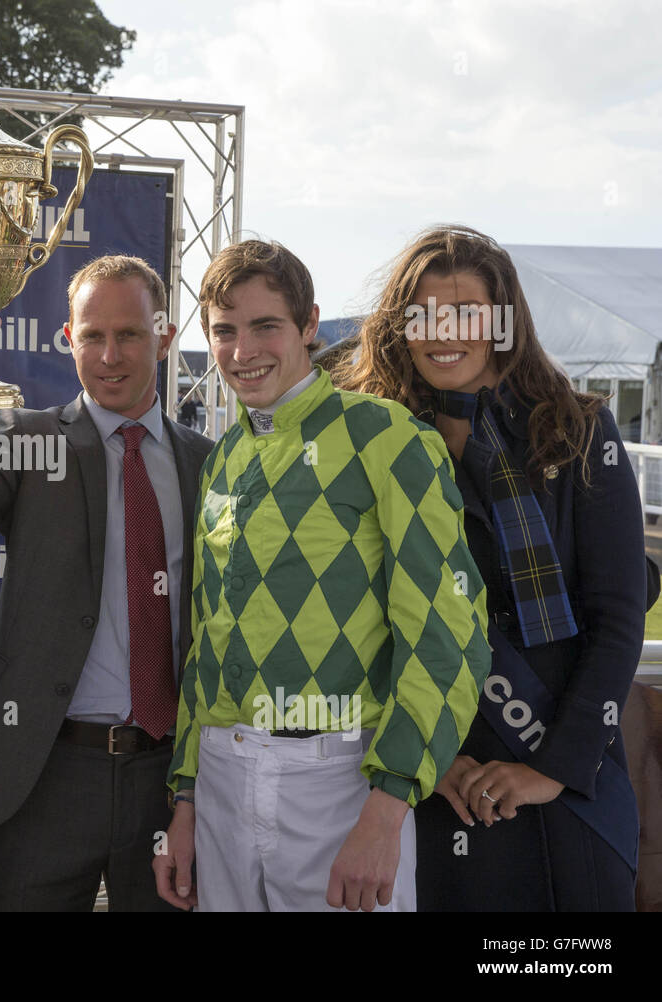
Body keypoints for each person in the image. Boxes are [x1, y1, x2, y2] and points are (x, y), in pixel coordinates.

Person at [154, 239, 491, 912]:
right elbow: (205, 647)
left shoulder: (386, 437)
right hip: (220, 778)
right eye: (224, 331)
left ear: (309, 324)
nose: (242, 350)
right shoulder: (221, 458)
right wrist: (185, 798)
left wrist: (387, 806)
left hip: (340, 783)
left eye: (265, 326)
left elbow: (449, 637)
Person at [0, 255, 213, 911]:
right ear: (68, 340)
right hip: (43, 771)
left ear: (165, 334)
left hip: (168, 779)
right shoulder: (28, 436)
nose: (110, 354)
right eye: (92, 335)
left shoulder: (207, 464)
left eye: (129, 334)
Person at [336, 224, 643, 910]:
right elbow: (353, 622)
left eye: (467, 312)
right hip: (432, 781)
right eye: (426, 314)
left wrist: (552, 769)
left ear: (504, 323)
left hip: (565, 773)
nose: (446, 331)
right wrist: (424, 758)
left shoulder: (581, 430)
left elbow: (619, 621)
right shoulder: (369, 442)